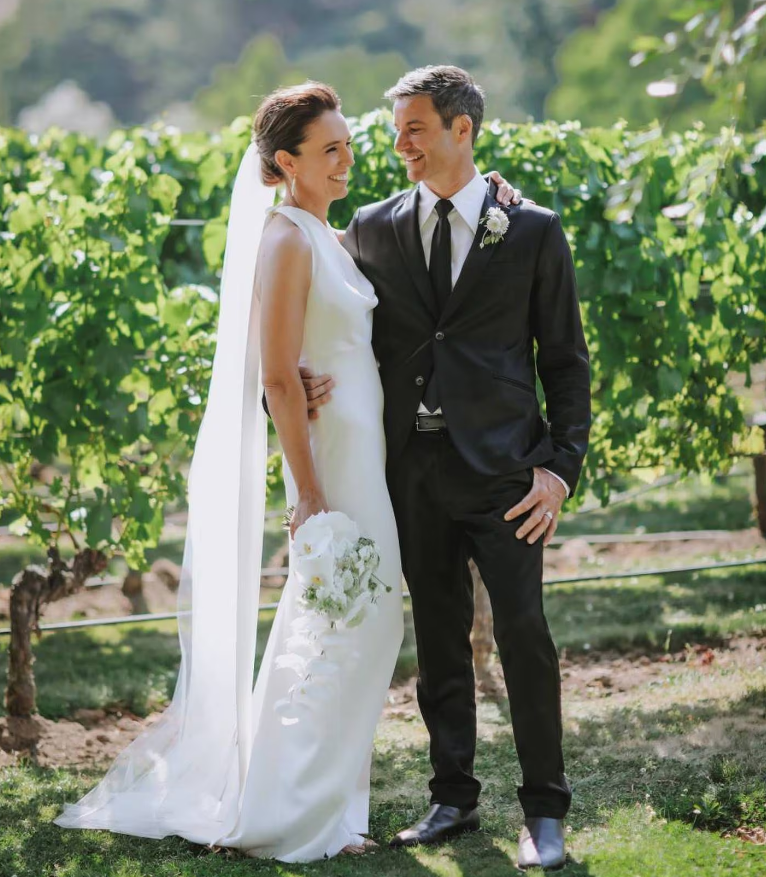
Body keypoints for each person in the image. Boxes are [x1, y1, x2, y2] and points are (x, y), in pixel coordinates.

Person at [54, 81, 519, 863]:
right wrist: (308, 492)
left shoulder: (330, 235)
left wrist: (495, 188)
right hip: (332, 464)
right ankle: (293, 810)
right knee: (355, 623)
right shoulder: (284, 240)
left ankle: (323, 801)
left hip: (366, 455)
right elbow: (275, 376)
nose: (347, 159)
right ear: (286, 162)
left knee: (341, 628)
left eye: (347, 143)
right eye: (329, 149)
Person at [305, 65, 591, 870]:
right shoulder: (371, 224)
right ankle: (452, 798)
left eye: (415, 130)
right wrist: (294, 380)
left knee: (525, 636)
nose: (398, 146)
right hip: (411, 475)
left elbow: (566, 364)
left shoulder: (532, 229)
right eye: (395, 130)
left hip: (507, 476)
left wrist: (559, 469)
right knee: (436, 640)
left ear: (463, 130)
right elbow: (325, 313)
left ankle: (545, 812)